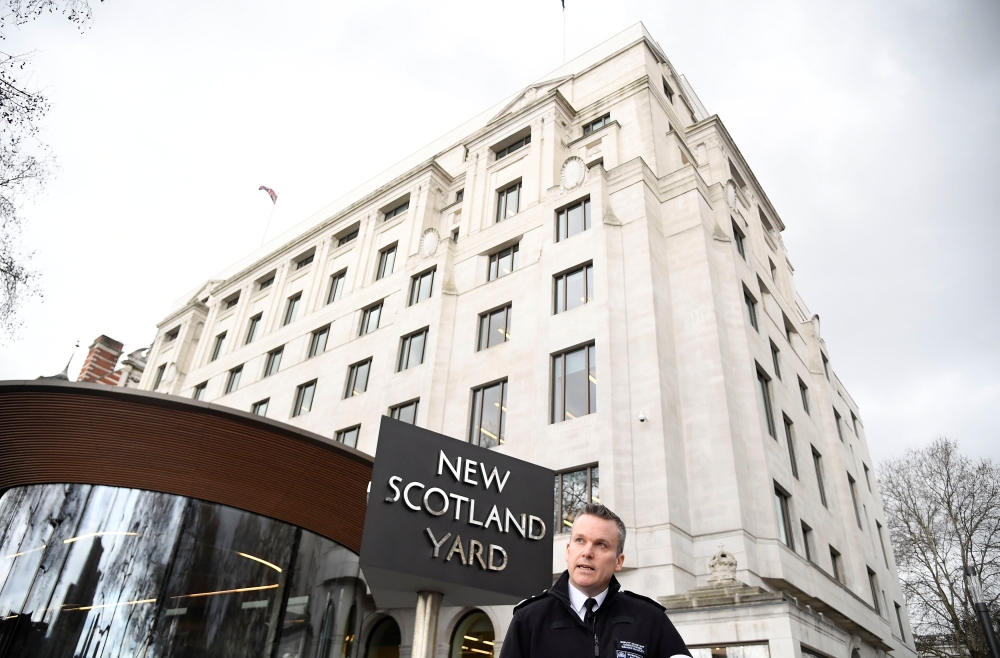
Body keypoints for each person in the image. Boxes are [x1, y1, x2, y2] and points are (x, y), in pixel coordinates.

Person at [499, 503, 691, 658]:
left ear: (618, 561)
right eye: (580, 540)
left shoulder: (649, 619)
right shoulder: (529, 619)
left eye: (601, 544)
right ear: (568, 550)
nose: (587, 552)